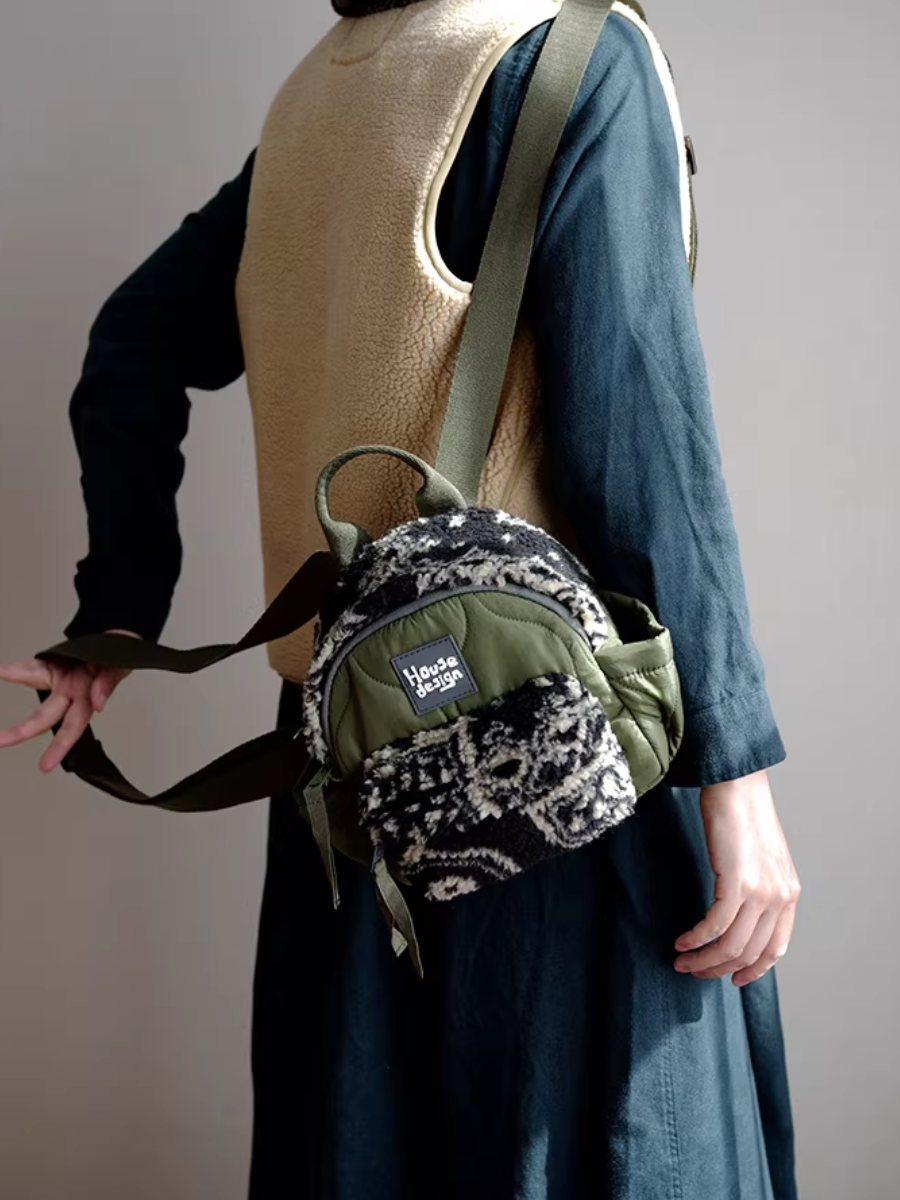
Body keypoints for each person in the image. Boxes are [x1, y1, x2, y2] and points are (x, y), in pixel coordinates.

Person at [0, 2, 801, 1197]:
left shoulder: (320, 91)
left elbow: (132, 343)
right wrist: (734, 778)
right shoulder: (575, 58)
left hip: (348, 787)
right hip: (557, 776)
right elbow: (638, 438)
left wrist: (118, 607)